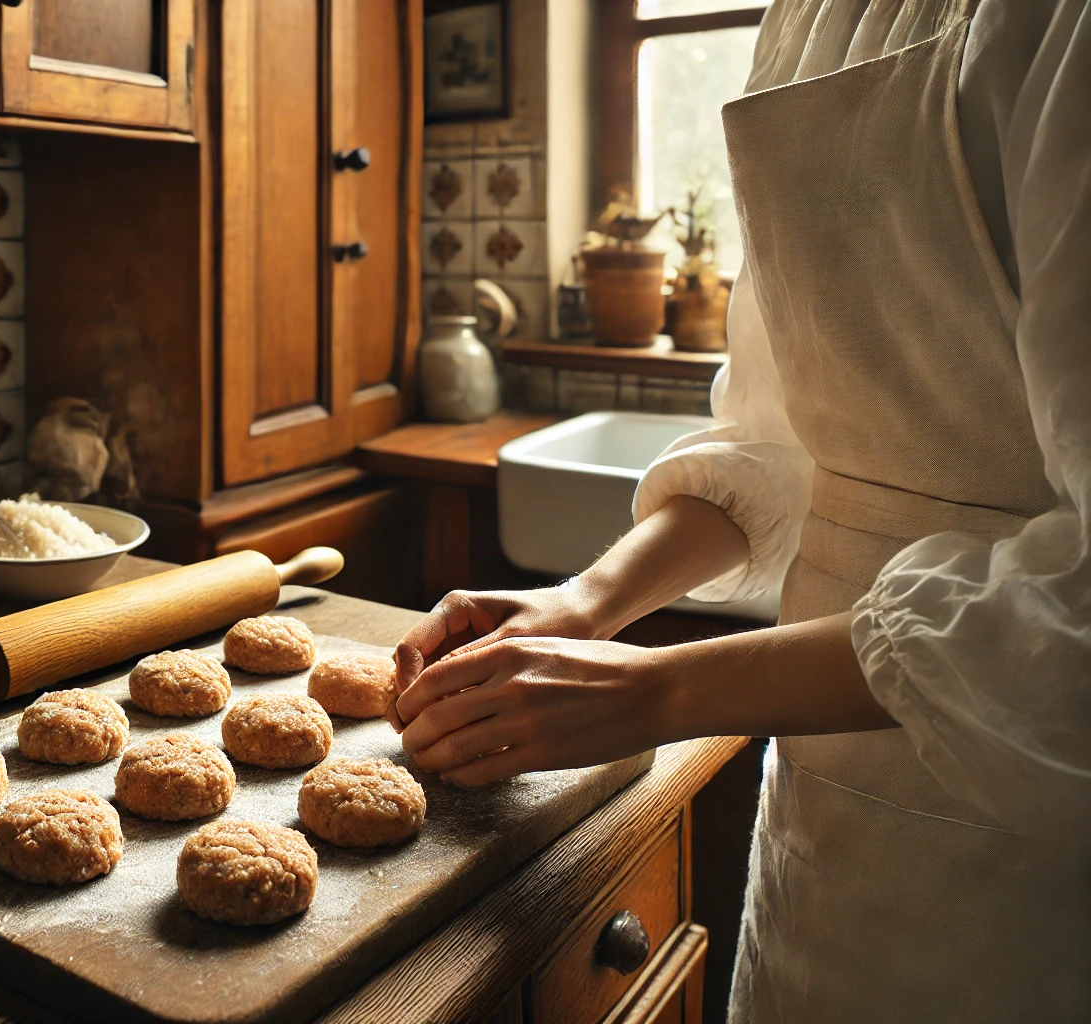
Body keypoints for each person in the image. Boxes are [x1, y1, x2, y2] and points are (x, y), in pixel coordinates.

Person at [388, 1, 1091, 1020]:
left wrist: (662, 692)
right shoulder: (807, 18)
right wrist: (585, 602)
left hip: (1025, 846)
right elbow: (779, 437)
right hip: (819, 800)